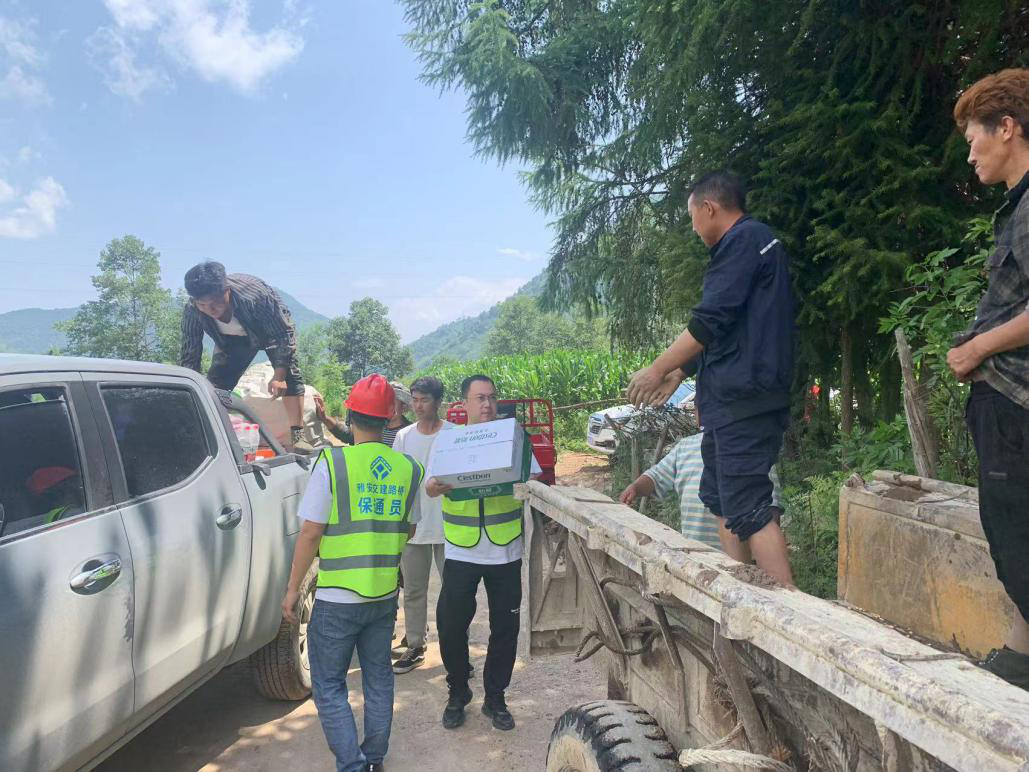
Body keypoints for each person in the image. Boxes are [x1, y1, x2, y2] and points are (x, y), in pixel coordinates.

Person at [627, 171, 795, 586]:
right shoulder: (749, 245)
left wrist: (657, 368)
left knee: (750, 505)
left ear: (709, 208)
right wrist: (682, 370)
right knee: (721, 499)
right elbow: (729, 330)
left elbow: (708, 321)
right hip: (728, 404)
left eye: (692, 217)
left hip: (745, 401)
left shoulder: (744, 240)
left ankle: (789, 604)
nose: (693, 227)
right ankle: (739, 588)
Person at [281, 374, 425, 771]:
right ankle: (374, 758)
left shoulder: (332, 463)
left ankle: (353, 765)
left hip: (337, 597)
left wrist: (292, 589)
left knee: (329, 685)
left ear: (350, 416)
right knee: (378, 679)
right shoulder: (409, 469)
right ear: (389, 418)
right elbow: (410, 529)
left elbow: (311, 532)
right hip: (383, 596)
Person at [946, 68, 1029, 691]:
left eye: (975, 138)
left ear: (1007, 128)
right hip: (1007, 400)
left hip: (1014, 403)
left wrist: (978, 346)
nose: (971, 154)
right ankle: (1021, 658)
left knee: (1013, 534)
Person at [425, 374, 541, 731]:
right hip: (461, 550)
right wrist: (437, 487)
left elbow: (534, 479)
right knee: (450, 625)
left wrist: (522, 482)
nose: (487, 404)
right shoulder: (449, 441)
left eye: (491, 397)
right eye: (479, 398)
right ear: (464, 404)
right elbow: (430, 486)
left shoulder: (514, 437)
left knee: (505, 628)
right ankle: (458, 691)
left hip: (505, 549)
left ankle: (495, 697)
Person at [180, 261, 313, 453]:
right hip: (232, 341)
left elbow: (282, 334)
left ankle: (298, 435)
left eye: (216, 303)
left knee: (289, 374)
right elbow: (190, 352)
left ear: (227, 291)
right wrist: (188, 386)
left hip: (270, 331)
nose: (211, 310)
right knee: (214, 387)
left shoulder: (255, 294)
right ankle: (209, 435)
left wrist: (279, 375)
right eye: (203, 305)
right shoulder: (192, 310)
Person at [390, 376, 450, 674]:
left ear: (438, 402)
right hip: (414, 525)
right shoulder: (403, 437)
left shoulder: (454, 434)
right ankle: (415, 645)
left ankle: (456, 646)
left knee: (454, 592)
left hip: (450, 527)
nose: (418, 405)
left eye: (424, 400)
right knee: (413, 590)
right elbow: (397, 479)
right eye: (414, 400)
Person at [316, 383, 412, 447]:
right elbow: (348, 435)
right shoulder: (375, 425)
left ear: (403, 407)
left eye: (392, 402)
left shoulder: (410, 433)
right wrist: (325, 418)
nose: (386, 406)